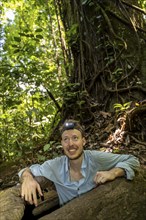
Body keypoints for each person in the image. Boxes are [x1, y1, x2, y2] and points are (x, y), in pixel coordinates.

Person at [18, 119, 140, 207]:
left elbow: (133, 160)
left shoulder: (95, 158)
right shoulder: (55, 166)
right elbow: (27, 170)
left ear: (84, 141)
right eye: (66, 139)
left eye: (75, 138)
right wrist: (28, 178)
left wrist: (113, 172)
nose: (70, 144)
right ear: (62, 144)